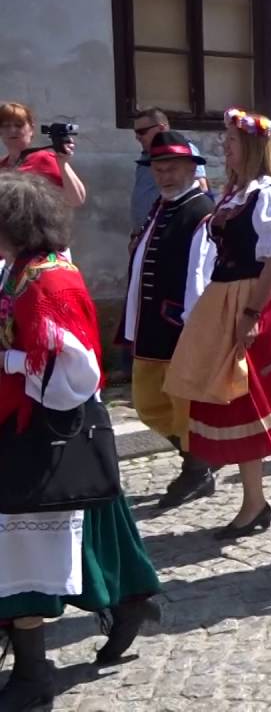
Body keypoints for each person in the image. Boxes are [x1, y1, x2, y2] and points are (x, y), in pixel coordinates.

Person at [0, 172, 161, 710]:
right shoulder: (21, 271)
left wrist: (11, 361)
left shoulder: (48, 282)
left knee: (30, 537)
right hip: (37, 423)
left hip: (46, 426)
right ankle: (131, 593)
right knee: (92, 511)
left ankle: (32, 673)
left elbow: (79, 372)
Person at [163, 108, 271, 541]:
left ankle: (255, 502)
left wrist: (251, 313)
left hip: (257, 299)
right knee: (236, 396)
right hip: (227, 296)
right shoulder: (236, 192)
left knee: (246, 396)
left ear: (249, 146)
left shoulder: (267, 193)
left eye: (230, 141)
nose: (223, 147)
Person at [122, 131, 225, 509]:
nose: (164, 175)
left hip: (180, 327)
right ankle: (200, 460)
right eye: (159, 168)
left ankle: (196, 469)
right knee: (148, 403)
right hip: (151, 324)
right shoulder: (161, 206)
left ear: (189, 169)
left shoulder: (200, 211)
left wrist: (197, 329)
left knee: (184, 408)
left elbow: (205, 274)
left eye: (172, 168)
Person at [132, 108, 207, 232]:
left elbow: (201, 187)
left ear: (161, 128)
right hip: (147, 231)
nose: (137, 137)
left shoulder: (183, 150)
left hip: (172, 229)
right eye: (158, 170)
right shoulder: (145, 157)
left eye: (142, 132)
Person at [0, 102, 85, 208]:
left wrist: (63, 163)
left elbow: (76, 200)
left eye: (19, 125)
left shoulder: (43, 159)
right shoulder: (2, 165)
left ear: (31, 129)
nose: (12, 130)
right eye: (6, 126)